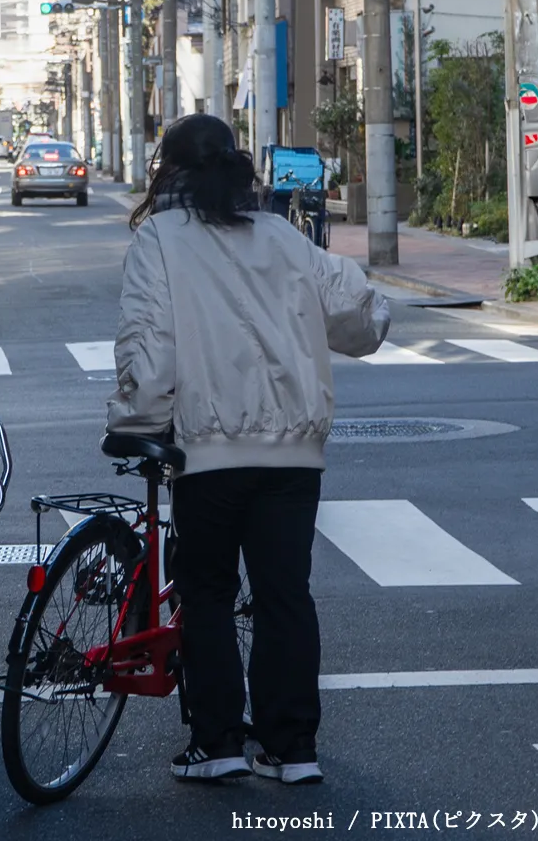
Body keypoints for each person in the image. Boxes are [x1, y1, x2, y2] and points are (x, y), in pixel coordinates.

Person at [106, 114, 390, 785]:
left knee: (206, 593)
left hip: (208, 452)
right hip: (294, 452)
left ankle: (219, 743)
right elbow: (359, 314)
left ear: (167, 171)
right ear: (237, 168)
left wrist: (137, 422)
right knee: (285, 594)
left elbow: (150, 346)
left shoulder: (160, 240)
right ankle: (292, 750)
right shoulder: (281, 235)